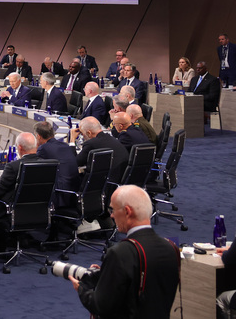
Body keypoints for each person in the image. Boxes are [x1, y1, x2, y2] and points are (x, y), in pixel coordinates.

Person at [71, 185, 180, 318]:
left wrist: (82, 288)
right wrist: (108, 273)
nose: (111, 215)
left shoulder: (120, 253)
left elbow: (100, 306)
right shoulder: (171, 248)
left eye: (113, 209)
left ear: (127, 211)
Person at [0, 132, 43, 253]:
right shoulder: (45, 163)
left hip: (9, 210)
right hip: (37, 211)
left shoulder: (13, 166)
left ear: (19, 147)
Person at [34, 120, 77, 206]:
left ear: (38, 137)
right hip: (74, 191)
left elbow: (33, 166)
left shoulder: (43, 148)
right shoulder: (65, 145)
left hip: (59, 195)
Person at [75, 116, 129, 184]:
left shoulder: (91, 143)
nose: (83, 137)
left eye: (82, 134)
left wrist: (72, 141)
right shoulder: (112, 139)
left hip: (100, 183)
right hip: (117, 181)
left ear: (89, 133)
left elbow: (75, 163)